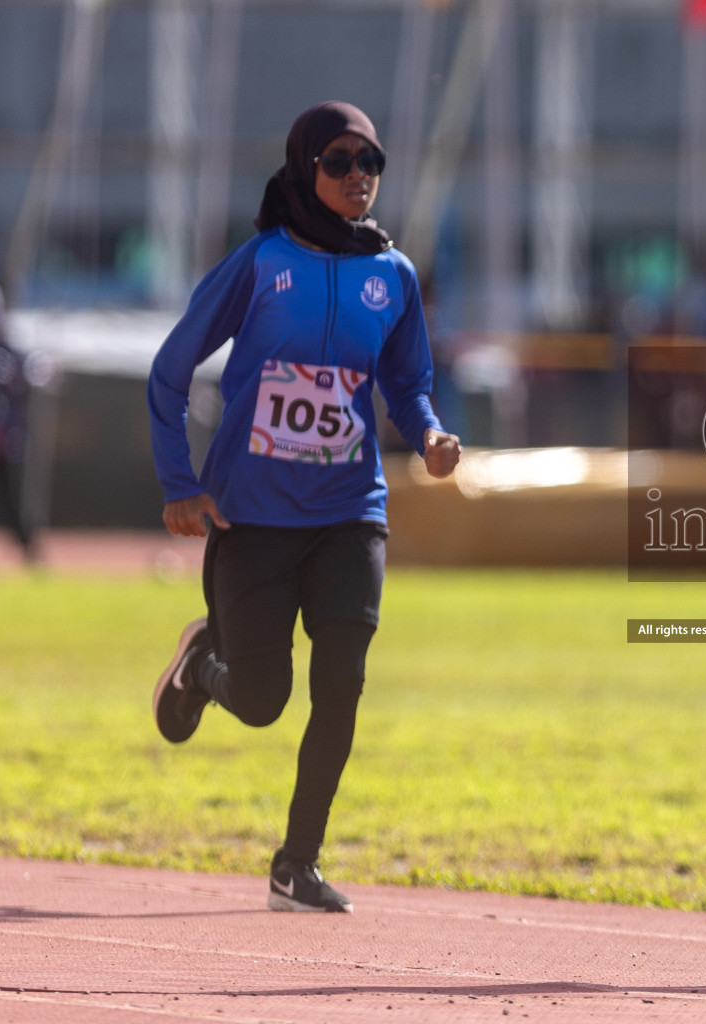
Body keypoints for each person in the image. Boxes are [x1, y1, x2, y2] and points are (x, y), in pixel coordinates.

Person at [147, 102, 461, 913]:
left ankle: (298, 861)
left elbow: (408, 381)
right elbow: (170, 369)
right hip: (252, 515)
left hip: (350, 509)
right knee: (260, 701)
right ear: (302, 169)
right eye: (340, 161)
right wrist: (180, 483)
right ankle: (199, 662)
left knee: (344, 682)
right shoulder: (258, 264)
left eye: (373, 163)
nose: (360, 176)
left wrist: (428, 434)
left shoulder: (392, 276)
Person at [0, 286, 35, 559]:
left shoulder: (9, 352)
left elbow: (21, 386)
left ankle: (26, 544)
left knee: (10, 495)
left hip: (2, 438)